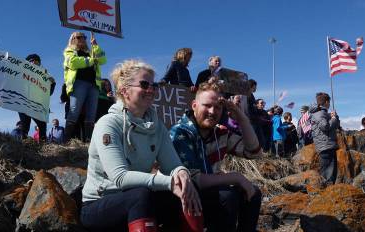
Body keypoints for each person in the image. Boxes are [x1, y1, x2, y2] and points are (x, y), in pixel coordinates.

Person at [80, 60, 199, 231]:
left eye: (154, 85)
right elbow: (120, 177)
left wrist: (182, 173)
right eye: (144, 84)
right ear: (124, 91)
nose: (151, 90)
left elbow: (172, 165)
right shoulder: (108, 124)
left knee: (188, 190)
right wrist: (170, 183)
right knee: (141, 195)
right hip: (98, 204)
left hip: (139, 198)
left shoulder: (157, 126)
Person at [169, 81, 264, 231]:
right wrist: (236, 177)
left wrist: (241, 118)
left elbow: (254, 152)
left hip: (210, 190)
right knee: (227, 196)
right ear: (194, 105)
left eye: (218, 107)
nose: (213, 112)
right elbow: (194, 179)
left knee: (253, 193)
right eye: (207, 105)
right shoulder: (180, 132)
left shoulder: (219, 133)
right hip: (184, 197)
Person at [62, 31, 106, 142]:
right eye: (79, 37)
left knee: (91, 114)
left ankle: (88, 142)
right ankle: (66, 142)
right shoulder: (69, 51)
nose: (82, 39)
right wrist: (91, 60)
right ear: (73, 39)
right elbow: (73, 62)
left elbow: (103, 60)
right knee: (74, 111)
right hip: (79, 83)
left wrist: (95, 45)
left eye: (84, 37)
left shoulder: (91, 52)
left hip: (94, 85)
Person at [14, 54, 55, 139]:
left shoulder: (45, 75)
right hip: (23, 103)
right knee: (25, 126)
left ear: (39, 63)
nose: (33, 62)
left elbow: (49, 93)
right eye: (31, 60)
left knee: (42, 126)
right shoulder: (21, 72)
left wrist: (52, 84)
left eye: (36, 60)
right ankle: (23, 146)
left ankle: (43, 146)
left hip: (38, 105)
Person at [310, 92, 340, 184]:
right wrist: (333, 118)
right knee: (328, 174)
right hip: (326, 146)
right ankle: (327, 194)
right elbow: (325, 126)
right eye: (329, 102)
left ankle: (327, 192)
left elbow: (334, 125)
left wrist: (334, 117)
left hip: (326, 145)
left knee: (330, 172)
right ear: (326, 102)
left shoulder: (321, 113)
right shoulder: (320, 113)